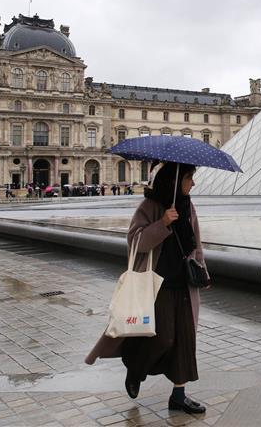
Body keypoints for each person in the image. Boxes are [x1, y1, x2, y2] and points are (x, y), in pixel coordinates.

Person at [85, 162, 210, 414]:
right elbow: (135, 243)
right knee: (163, 338)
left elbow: (196, 243)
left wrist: (202, 270)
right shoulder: (150, 206)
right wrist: (162, 223)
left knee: (185, 340)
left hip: (183, 283)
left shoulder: (188, 206)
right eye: (189, 178)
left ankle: (179, 395)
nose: (193, 183)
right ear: (173, 181)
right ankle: (136, 368)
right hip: (156, 284)